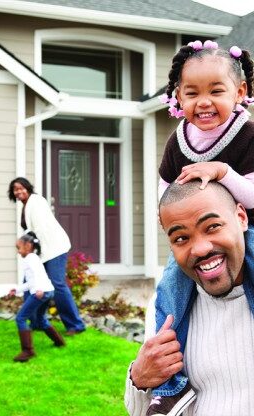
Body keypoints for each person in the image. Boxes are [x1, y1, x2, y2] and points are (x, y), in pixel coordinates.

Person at [146, 39, 254, 415]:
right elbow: (165, 191)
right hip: (203, 230)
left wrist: (223, 172)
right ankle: (172, 386)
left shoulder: (247, 135)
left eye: (216, 91)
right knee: (170, 294)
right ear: (178, 96)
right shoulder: (179, 140)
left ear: (240, 92)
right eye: (191, 93)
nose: (203, 102)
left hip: (248, 232)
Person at [125, 180, 254, 416]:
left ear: (241, 218)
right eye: (181, 239)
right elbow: (145, 412)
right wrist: (140, 379)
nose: (200, 249)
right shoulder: (166, 307)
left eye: (213, 226)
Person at [8, 177, 85, 335]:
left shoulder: (36, 202)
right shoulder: (26, 205)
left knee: (57, 285)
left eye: (21, 188)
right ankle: (36, 322)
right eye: (15, 189)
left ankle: (75, 325)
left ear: (28, 188)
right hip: (40, 250)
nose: (19, 191)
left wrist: (32, 252)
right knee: (31, 282)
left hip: (54, 248)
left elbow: (41, 230)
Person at [9, 231, 65, 363]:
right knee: (40, 318)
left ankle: (28, 351)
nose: (18, 251)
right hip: (47, 291)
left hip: (41, 292)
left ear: (28, 246)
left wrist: (39, 289)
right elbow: (30, 281)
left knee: (21, 318)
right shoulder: (33, 258)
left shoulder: (30, 258)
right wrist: (16, 289)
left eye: (19, 247)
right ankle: (59, 342)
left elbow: (37, 277)